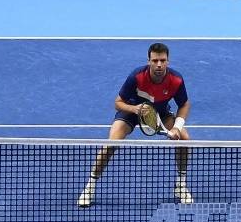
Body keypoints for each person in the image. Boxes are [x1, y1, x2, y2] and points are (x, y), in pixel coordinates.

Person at [77, 43, 192, 207]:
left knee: (185, 140)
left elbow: (185, 104)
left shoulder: (176, 80)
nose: (159, 64)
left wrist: (177, 127)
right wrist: (134, 109)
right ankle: (90, 186)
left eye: (162, 60)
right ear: (148, 61)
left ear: (168, 61)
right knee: (111, 144)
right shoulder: (136, 77)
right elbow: (117, 103)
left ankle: (180, 185)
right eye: (155, 60)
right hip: (131, 111)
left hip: (160, 112)